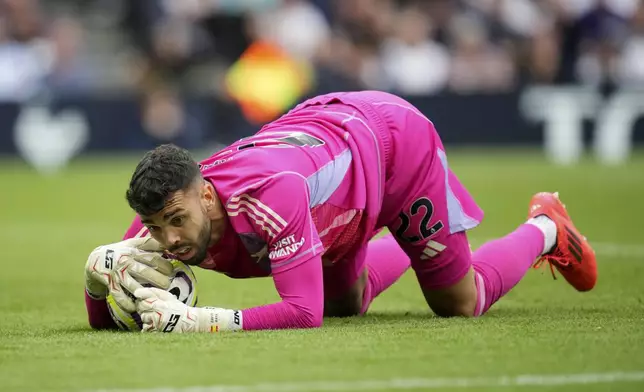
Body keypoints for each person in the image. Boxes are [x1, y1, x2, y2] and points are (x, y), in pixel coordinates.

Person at [84, 91, 597, 333]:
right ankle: (411, 243)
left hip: (395, 147)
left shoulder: (270, 196)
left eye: (177, 221)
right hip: (331, 179)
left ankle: (547, 226)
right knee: (345, 303)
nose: (168, 239)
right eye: (155, 226)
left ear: (207, 197)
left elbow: (302, 316)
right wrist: (96, 281)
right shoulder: (163, 210)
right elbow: (110, 316)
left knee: (460, 303)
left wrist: (198, 321)